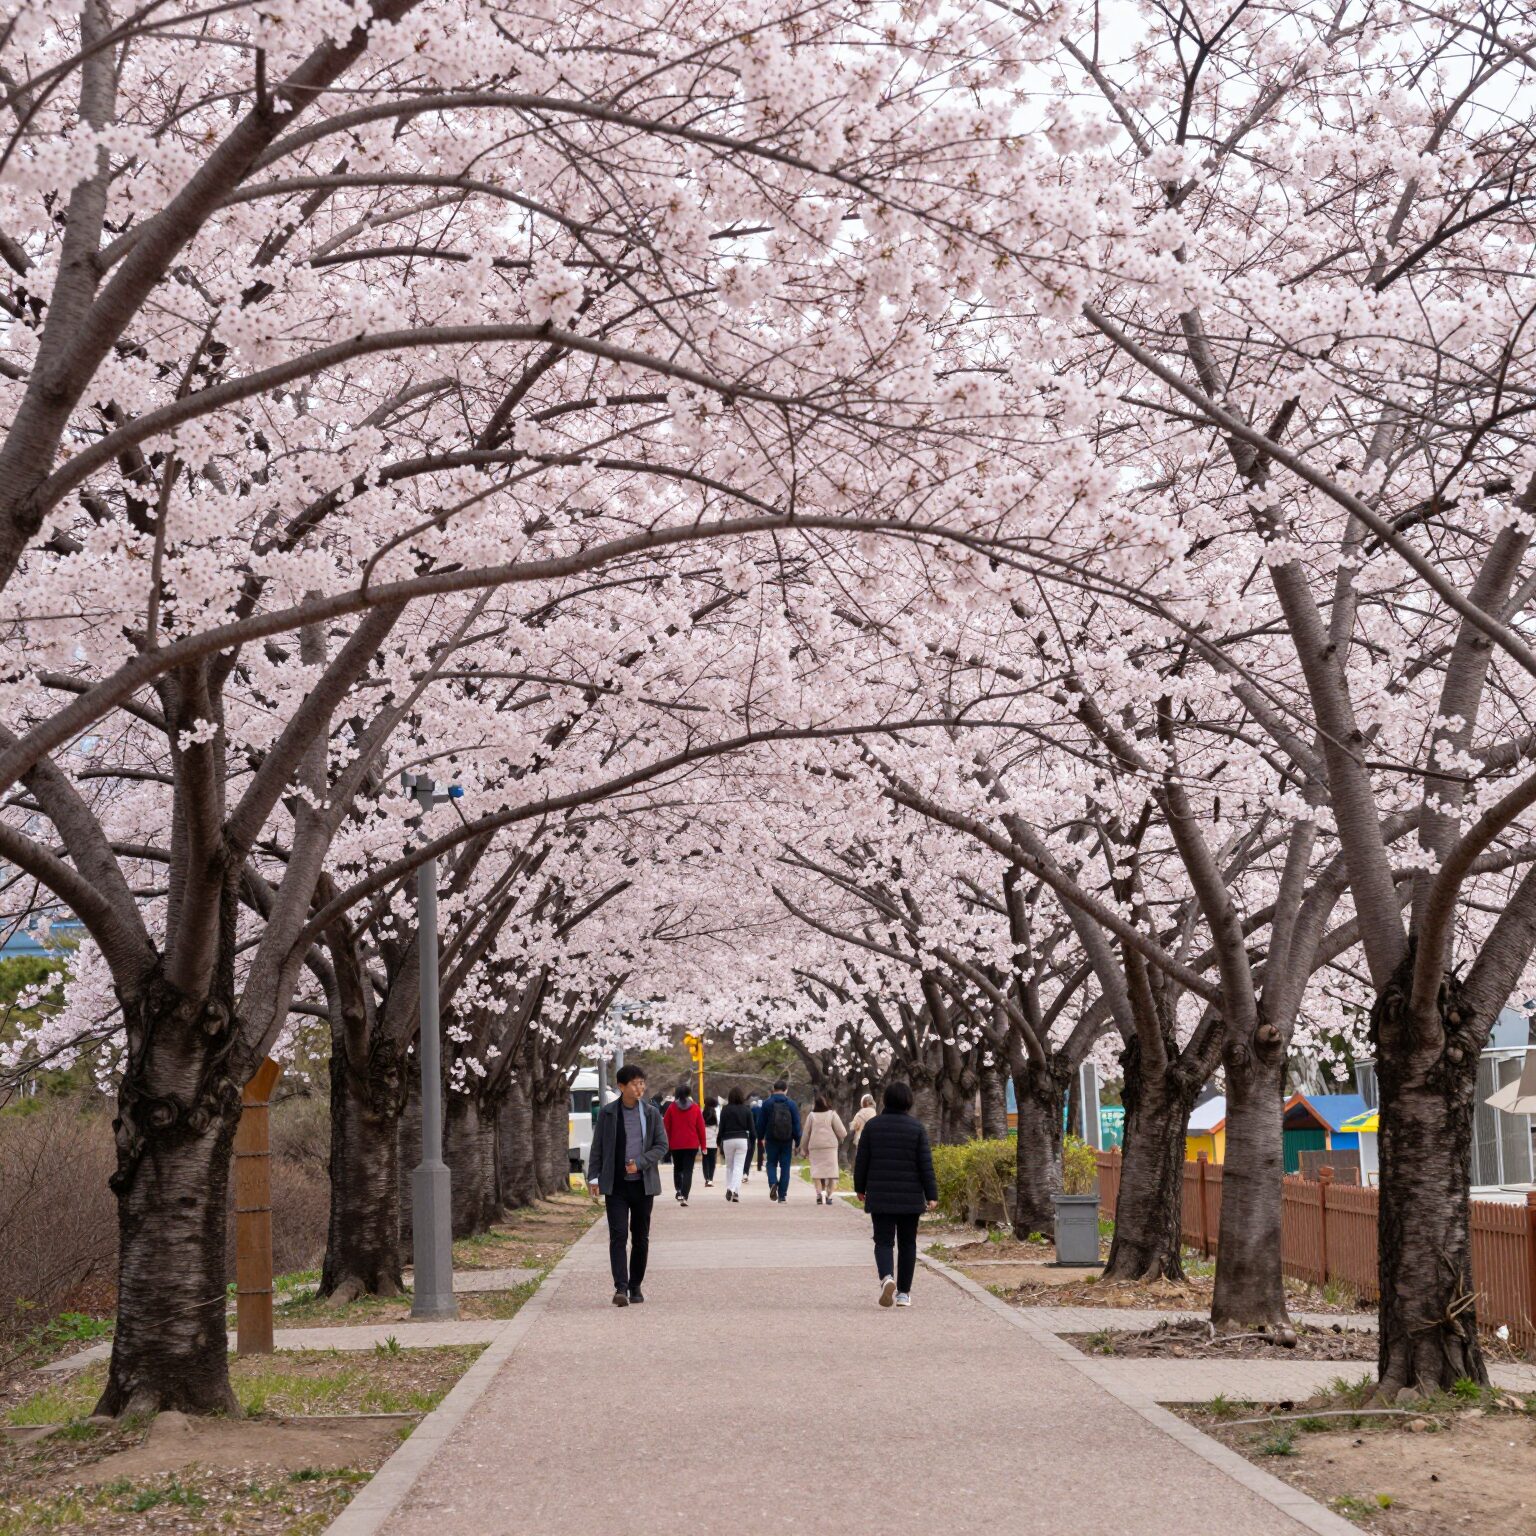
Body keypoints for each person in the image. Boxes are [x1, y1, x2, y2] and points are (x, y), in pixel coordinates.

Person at [586, 1065, 669, 1306]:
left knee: (640, 1237)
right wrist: (594, 1177)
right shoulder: (608, 1113)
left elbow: (662, 1146)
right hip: (617, 1186)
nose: (639, 1087)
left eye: (642, 1083)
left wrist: (640, 1163)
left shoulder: (652, 1113)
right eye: (634, 1083)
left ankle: (636, 1286)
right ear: (621, 1087)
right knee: (618, 1235)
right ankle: (620, 1288)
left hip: (643, 1186)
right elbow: (598, 1146)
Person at [853, 1081, 937, 1308]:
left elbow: (862, 1160)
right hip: (910, 1197)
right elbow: (925, 1165)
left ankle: (887, 1277)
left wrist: (860, 1188)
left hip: (880, 1195)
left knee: (883, 1241)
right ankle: (903, 1294)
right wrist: (932, 1194)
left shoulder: (873, 1126)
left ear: (885, 1101)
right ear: (909, 1101)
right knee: (908, 1243)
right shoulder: (916, 1128)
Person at [662, 1083, 706, 1206]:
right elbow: (701, 1128)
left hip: (675, 1144)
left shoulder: (671, 1108)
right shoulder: (695, 1108)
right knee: (688, 1171)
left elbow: (666, 1126)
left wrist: (667, 1141)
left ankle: (679, 1190)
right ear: (688, 1093)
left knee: (677, 1168)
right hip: (691, 1144)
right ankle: (685, 1195)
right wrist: (703, 1145)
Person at [759, 1078, 801, 1203]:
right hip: (787, 1140)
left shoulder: (767, 1103)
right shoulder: (791, 1104)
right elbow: (796, 1123)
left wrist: (760, 1136)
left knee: (771, 1163)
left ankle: (773, 1183)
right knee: (785, 1166)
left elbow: (761, 1122)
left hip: (771, 1139)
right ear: (785, 1089)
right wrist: (798, 1139)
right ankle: (782, 1196)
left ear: (774, 1089)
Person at [800, 1095, 848, 1205]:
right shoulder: (832, 1114)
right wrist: (839, 1137)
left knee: (816, 1171)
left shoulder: (811, 1116)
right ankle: (828, 1195)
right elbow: (843, 1132)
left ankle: (818, 1194)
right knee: (832, 1173)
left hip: (815, 1147)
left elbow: (806, 1133)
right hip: (830, 1147)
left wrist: (803, 1147)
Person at [717, 1086, 754, 1201]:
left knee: (730, 1166)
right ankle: (734, 1191)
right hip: (742, 1139)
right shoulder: (746, 1109)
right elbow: (752, 1129)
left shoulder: (725, 1109)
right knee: (739, 1167)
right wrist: (752, 1142)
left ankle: (730, 1189)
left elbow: (721, 1127)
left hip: (728, 1139)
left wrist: (719, 1141)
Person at [848, 1092, 877, 1156]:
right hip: (871, 1138)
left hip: (860, 1138)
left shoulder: (860, 1112)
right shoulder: (873, 1111)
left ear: (864, 1102)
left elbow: (854, 1126)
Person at [701, 1099, 720, 1187]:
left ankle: (707, 1178)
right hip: (713, 1143)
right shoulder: (715, 1115)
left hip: (704, 1143)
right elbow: (717, 1130)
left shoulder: (702, 1113)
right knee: (712, 1162)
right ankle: (711, 1179)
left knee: (705, 1160)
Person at [750, 1094, 767, 1175]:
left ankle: (759, 1166)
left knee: (759, 1148)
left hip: (757, 1131)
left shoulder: (753, 1109)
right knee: (766, 1148)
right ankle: (767, 1164)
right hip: (766, 1131)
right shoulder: (765, 1109)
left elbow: (752, 1121)